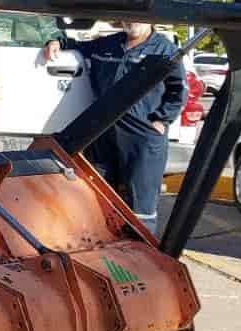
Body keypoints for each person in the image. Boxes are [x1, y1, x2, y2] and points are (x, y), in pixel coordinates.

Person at [42, 22, 185, 226]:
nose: (132, 21)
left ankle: (141, 252)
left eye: (139, 18)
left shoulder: (165, 50)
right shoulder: (107, 44)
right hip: (103, 130)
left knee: (140, 204)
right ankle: (104, 246)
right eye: (128, 16)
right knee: (98, 194)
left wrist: (162, 119)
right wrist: (56, 41)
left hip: (142, 133)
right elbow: (77, 46)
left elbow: (179, 90)